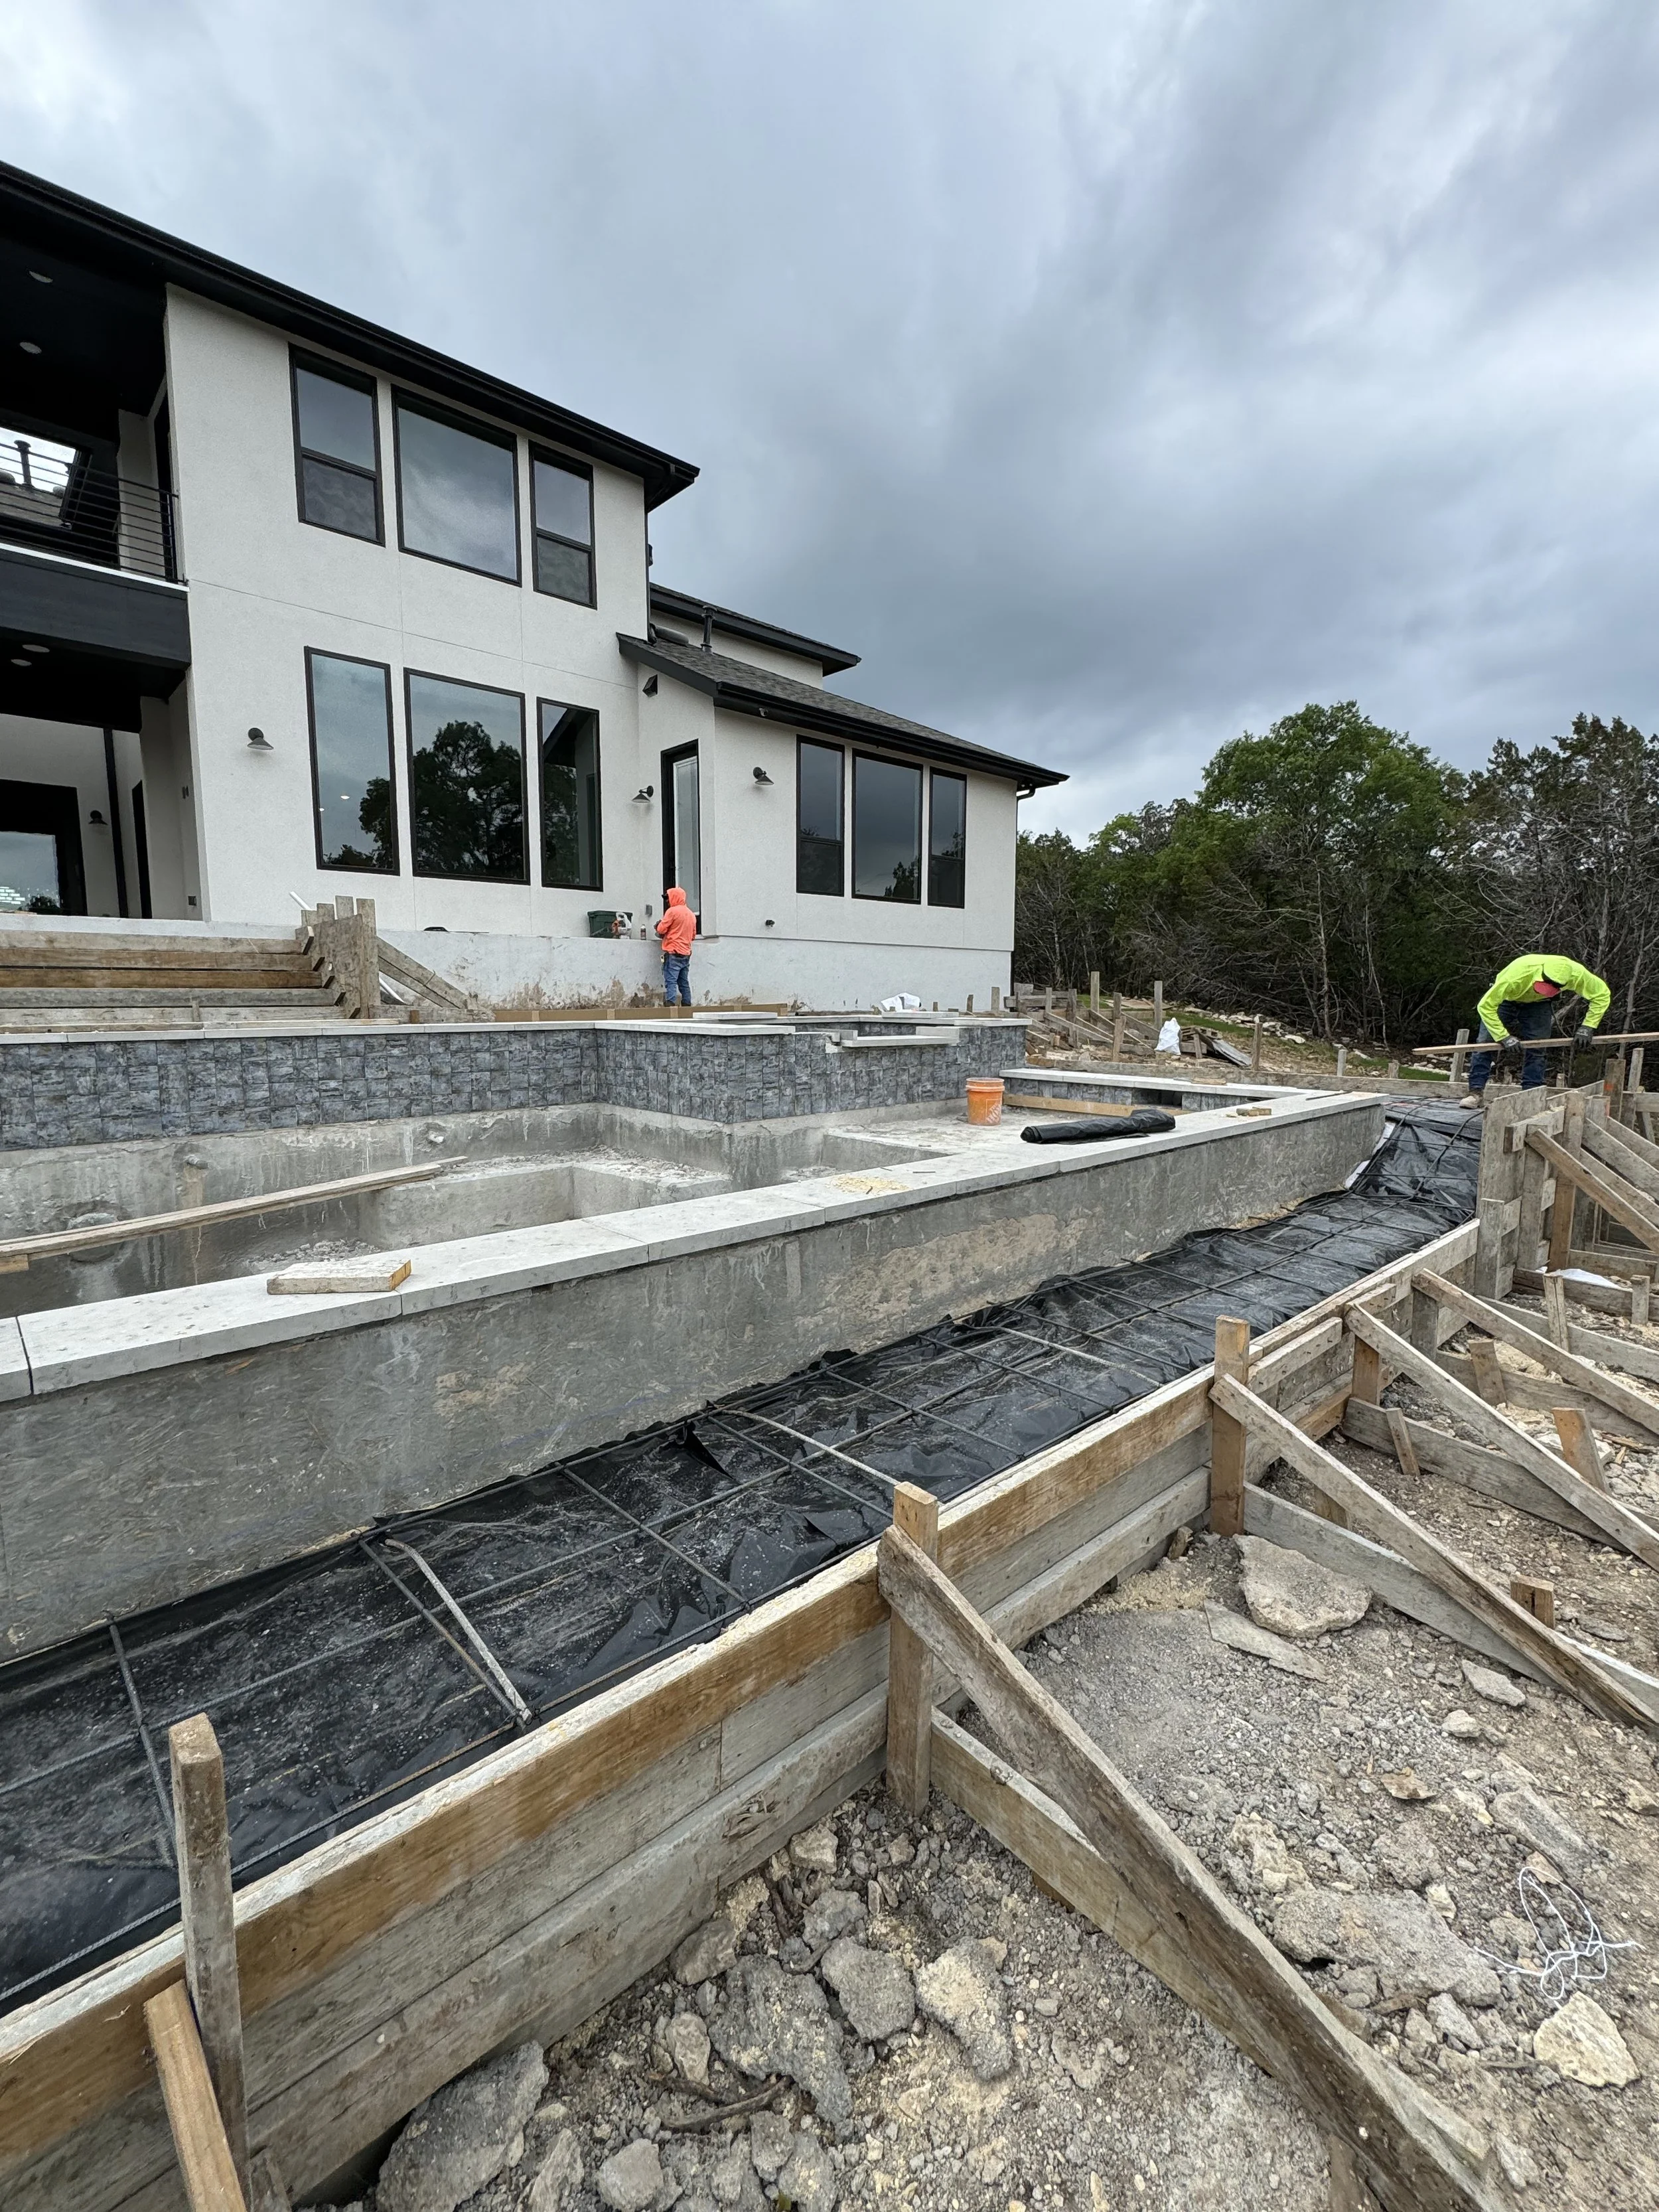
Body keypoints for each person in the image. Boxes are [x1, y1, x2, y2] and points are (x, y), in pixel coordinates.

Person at [1460, 954, 1611, 1106]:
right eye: (1546, 985)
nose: (1547, 989)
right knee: (1485, 1043)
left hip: (1539, 1004)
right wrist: (1503, 1037)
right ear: (1541, 976)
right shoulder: (1515, 977)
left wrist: (1588, 1026)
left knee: (1537, 1047)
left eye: (1554, 987)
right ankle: (1475, 1093)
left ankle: (1531, 1097)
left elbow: (1602, 994)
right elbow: (1485, 1006)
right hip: (1506, 1000)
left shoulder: (1577, 974)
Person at [656, 885, 697, 1007]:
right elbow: (693, 936)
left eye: (668, 898)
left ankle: (671, 1003)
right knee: (683, 981)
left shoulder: (672, 912)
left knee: (671, 979)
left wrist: (659, 926)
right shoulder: (691, 915)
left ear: (674, 897)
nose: (668, 901)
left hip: (673, 952)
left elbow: (661, 929)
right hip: (686, 953)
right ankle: (687, 1004)